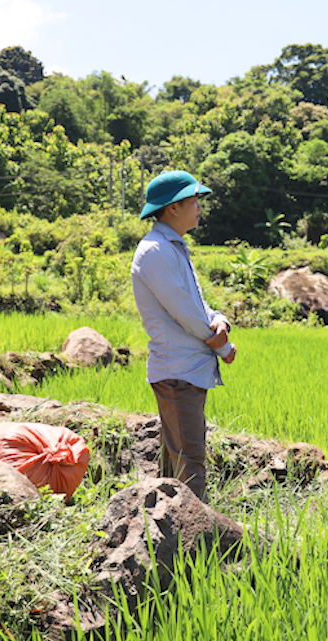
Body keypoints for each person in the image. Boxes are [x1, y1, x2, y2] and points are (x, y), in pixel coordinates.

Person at [131, 170, 237, 503]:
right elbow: (187, 314)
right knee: (191, 467)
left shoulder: (173, 247)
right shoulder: (155, 251)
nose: (199, 207)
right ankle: (194, 545)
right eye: (193, 201)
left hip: (185, 371)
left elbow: (197, 301)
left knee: (177, 462)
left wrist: (219, 320)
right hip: (178, 373)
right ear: (172, 208)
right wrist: (223, 347)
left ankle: (165, 536)